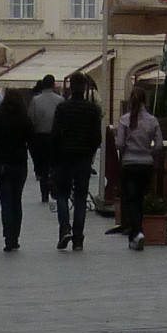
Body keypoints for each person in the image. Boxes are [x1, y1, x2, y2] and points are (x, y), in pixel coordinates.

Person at [50, 71, 103, 250]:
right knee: (80, 197)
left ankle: (65, 229)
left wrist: (56, 155)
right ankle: (78, 238)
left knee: (63, 195)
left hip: (64, 157)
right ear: (85, 87)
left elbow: (55, 135)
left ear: (70, 87)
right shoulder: (92, 110)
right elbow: (97, 137)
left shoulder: (62, 108)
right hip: (83, 159)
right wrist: (89, 152)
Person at [0, 89, 33, 250]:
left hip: (2, 165)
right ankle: (15, 236)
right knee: (16, 201)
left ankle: (8, 237)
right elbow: (32, 144)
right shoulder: (24, 120)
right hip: (19, 165)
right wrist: (39, 167)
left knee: (5, 203)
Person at [115, 87, 162, 248]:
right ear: (145, 101)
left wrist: (126, 151)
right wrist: (149, 151)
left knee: (131, 199)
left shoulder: (124, 120)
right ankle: (137, 232)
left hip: (129, 163)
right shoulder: (153, 120)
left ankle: (136, 232)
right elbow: (159, 145)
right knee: (140, 199)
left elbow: (119, 143)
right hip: (146, 164)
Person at [26, 74, 61, 202]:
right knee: (55, 165)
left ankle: (44, 193)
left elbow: (31, 119)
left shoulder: (35, 100)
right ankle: (55, 188)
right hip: (55, 136)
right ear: (53, 84)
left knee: (43, 166)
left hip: (40, 137)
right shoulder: (60, 100)